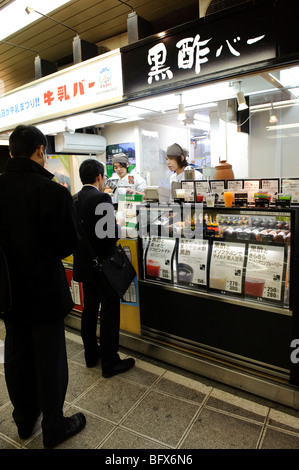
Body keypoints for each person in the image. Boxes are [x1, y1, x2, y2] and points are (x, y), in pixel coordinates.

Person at [0, 125, 86, 448]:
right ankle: (54, 425)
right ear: (40, 151)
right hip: (45, 293)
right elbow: (66, 245)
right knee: (50, 359)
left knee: (17, 355)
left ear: (10, 153)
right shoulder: (53, 192)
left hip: (7, 292)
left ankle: (24, 421)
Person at [72, 158, 135, 378]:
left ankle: (91, 356)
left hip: (84, 266)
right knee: (109, 311)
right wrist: (117, 226)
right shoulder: (102, 197)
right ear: (99, 177)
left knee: (89, 311)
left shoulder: (74, 199)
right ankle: (109, 362)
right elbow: (110, 235)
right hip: (103, 267)